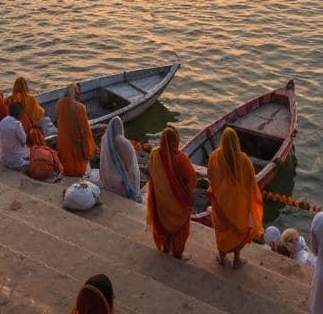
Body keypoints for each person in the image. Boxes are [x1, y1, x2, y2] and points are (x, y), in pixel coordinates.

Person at [206, 126, 263, 269]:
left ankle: (222, 257)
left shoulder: (214, 156)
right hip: (239, 206)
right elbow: (251, 183)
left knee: (222, 230)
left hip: (220, 204)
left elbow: (210, 177)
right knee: (239, 229)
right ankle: (237, 260)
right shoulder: (244, 160)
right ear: (237, 141)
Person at [146, 126, 197, 261]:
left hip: (161, 201)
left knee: (165, 225)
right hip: (178, 203)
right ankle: (177, 254)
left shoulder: (154, 154)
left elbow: (152, 173)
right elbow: (192, 180)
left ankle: (166, 248)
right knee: (180, 229)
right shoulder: (181, 158)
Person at [55, 83, 96, 176]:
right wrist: (90, 147)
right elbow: (85, 130)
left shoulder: (59, 103)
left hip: (62, 140)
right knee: (79, 166)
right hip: (76, 144)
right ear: (76, 94)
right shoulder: (81, 108)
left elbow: (58, 119)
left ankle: (66, 171)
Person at [99, 115, 140, 201]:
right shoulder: (123, 142)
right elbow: (131, 166)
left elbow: (103, 163)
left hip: (110, 183)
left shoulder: (106, 140)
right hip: (122, 185)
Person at [0, 100, 30, 170]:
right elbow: (23, 141)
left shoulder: (3, 121)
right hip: (15, 163)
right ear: (20, 113)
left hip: (2, 159)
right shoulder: (17, 125)